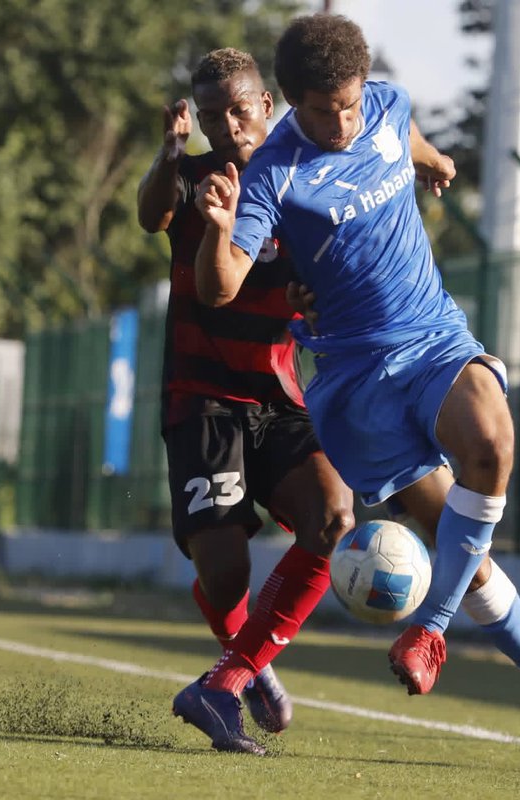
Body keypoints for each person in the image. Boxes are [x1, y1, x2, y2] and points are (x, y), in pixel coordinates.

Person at [188, 15, 520, 748]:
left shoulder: (387, 107)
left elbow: (404, 135)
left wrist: (431, 162)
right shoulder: (274, 171)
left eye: (351, 103)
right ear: (292, 103)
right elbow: (221, 286)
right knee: (462, 542)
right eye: (324, 109)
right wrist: (215, 227)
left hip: (431, 338)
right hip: (356, 381)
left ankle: (434, 633)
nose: (342, 119)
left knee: (490, 447)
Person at [136, 48, 356, 755]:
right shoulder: (196, 179)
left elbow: (324, 300)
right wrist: (170, 152)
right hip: (201, 397)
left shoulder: (309, 188)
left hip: (277, 398)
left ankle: (231, 677)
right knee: (226, 569)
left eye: (238, 109)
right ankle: (243, 659)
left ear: (268, 106)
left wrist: (312, 306)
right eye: (209, 116)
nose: (227, 125)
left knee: (334, 517)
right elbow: (149, 216)